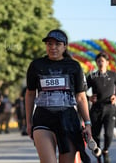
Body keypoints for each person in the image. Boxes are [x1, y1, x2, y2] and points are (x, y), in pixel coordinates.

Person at [25, 29, 92, 163]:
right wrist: (28, 122)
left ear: (65, 46)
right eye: (49, 44)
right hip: (43, 119)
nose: (53, 47)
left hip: (68, 120)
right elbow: (30, 94)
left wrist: (88, 123)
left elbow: (81, 97)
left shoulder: (74, 66)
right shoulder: (36, 65)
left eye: (57, 44)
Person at [87, 52, 116, 163]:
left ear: (107, 63)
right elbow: (81, 90)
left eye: (102, 61)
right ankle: (98, 157)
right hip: (96, 109)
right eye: (98, 61)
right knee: (96, 135)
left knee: (109, 134)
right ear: (96, 63)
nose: (101, 63)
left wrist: (115, 96)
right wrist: (89, 98)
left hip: (109, 108)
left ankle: (105, 150)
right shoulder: (92, 76)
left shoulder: (113, 75)